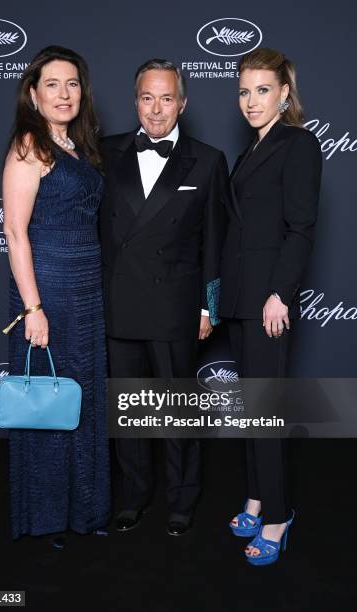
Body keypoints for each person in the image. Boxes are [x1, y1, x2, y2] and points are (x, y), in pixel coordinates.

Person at [100, 59, 230, 536]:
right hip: (119, 303)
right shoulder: (106, 152)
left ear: (183, 102)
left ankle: (182, 498)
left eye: (167, 98)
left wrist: (207, 307)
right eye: (147, 97)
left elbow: (216, 240)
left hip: (176, 305)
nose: (156, 109)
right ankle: (133, 495)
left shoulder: (209, 159)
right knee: (129, 410)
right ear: (136, 100)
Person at [2, 46, 110, 546]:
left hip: (87, 288)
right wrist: (32, 307)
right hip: (48, 286)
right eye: (52, 84)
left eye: (72, 84)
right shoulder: (31, 144)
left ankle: (84, 511)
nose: (64, 94)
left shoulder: (78, 147)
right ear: (33, 92)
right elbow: (15, 232)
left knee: (81, 399)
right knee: (47, 400)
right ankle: (47, 518)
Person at [218, 48, 322, 565]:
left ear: (284, 92)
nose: (251, 100)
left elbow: (301, 228)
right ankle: (258, 497)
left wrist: (280, 293)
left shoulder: (298, 144)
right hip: (240, 299)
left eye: (262, 90)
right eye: (244, 90)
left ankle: (278, 517)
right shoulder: (249, 152)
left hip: (269, 302)